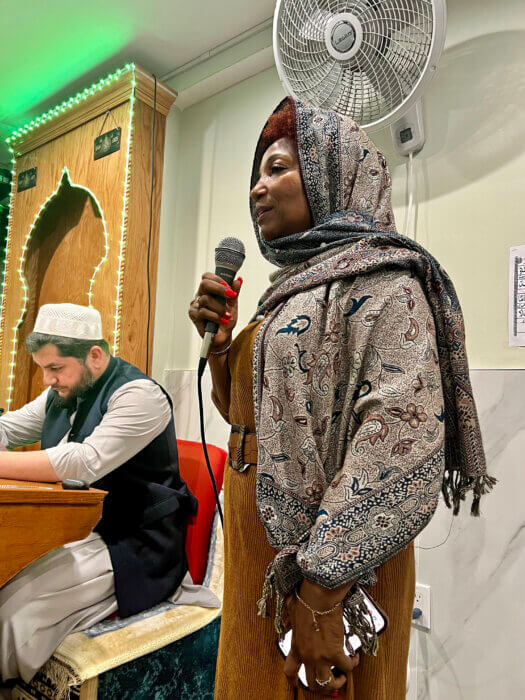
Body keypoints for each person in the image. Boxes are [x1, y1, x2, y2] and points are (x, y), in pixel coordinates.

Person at [188, 98, 495, 699]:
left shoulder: (387, 283)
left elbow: (400, 442)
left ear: (336, 174)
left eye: (278, 168)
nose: (257, 189)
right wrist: (223, 346)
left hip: (334, 576)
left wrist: (323, 592)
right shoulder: (283, 298)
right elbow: (247, 423)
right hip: (259, 557)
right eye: (256, 175)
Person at [0, 303, 197, 686]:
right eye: (44, 368)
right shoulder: (63, 391)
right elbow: (9, 428)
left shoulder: (141, 396)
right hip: (79, 528)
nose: (46, 380)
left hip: (133, 541)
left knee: (13, 618)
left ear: (94, 355)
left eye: (55, 368)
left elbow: (82, 462)